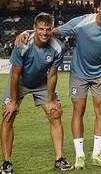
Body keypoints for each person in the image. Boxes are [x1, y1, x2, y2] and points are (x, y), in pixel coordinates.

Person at [14, 0, 101, 169]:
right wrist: (28, 30)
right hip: (79, 73)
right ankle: (79, 155)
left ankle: (96, 154)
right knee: (78, 110)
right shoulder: (82, 22)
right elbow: (52, 32)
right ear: (97, 7)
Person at [1, 13, 73, 173]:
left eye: (48, 29)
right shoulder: (23, 44)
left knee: (55, 114)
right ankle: (7, 162)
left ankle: (59, 159)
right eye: (41, 29)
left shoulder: (58, 47)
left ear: (52, 28)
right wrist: (13, 101)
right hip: (19, 82)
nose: (45, 33)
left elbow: (52, 75)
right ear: (34, 28)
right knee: (8, 115)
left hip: (41, 82)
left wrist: (51, 100)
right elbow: (15, 74)